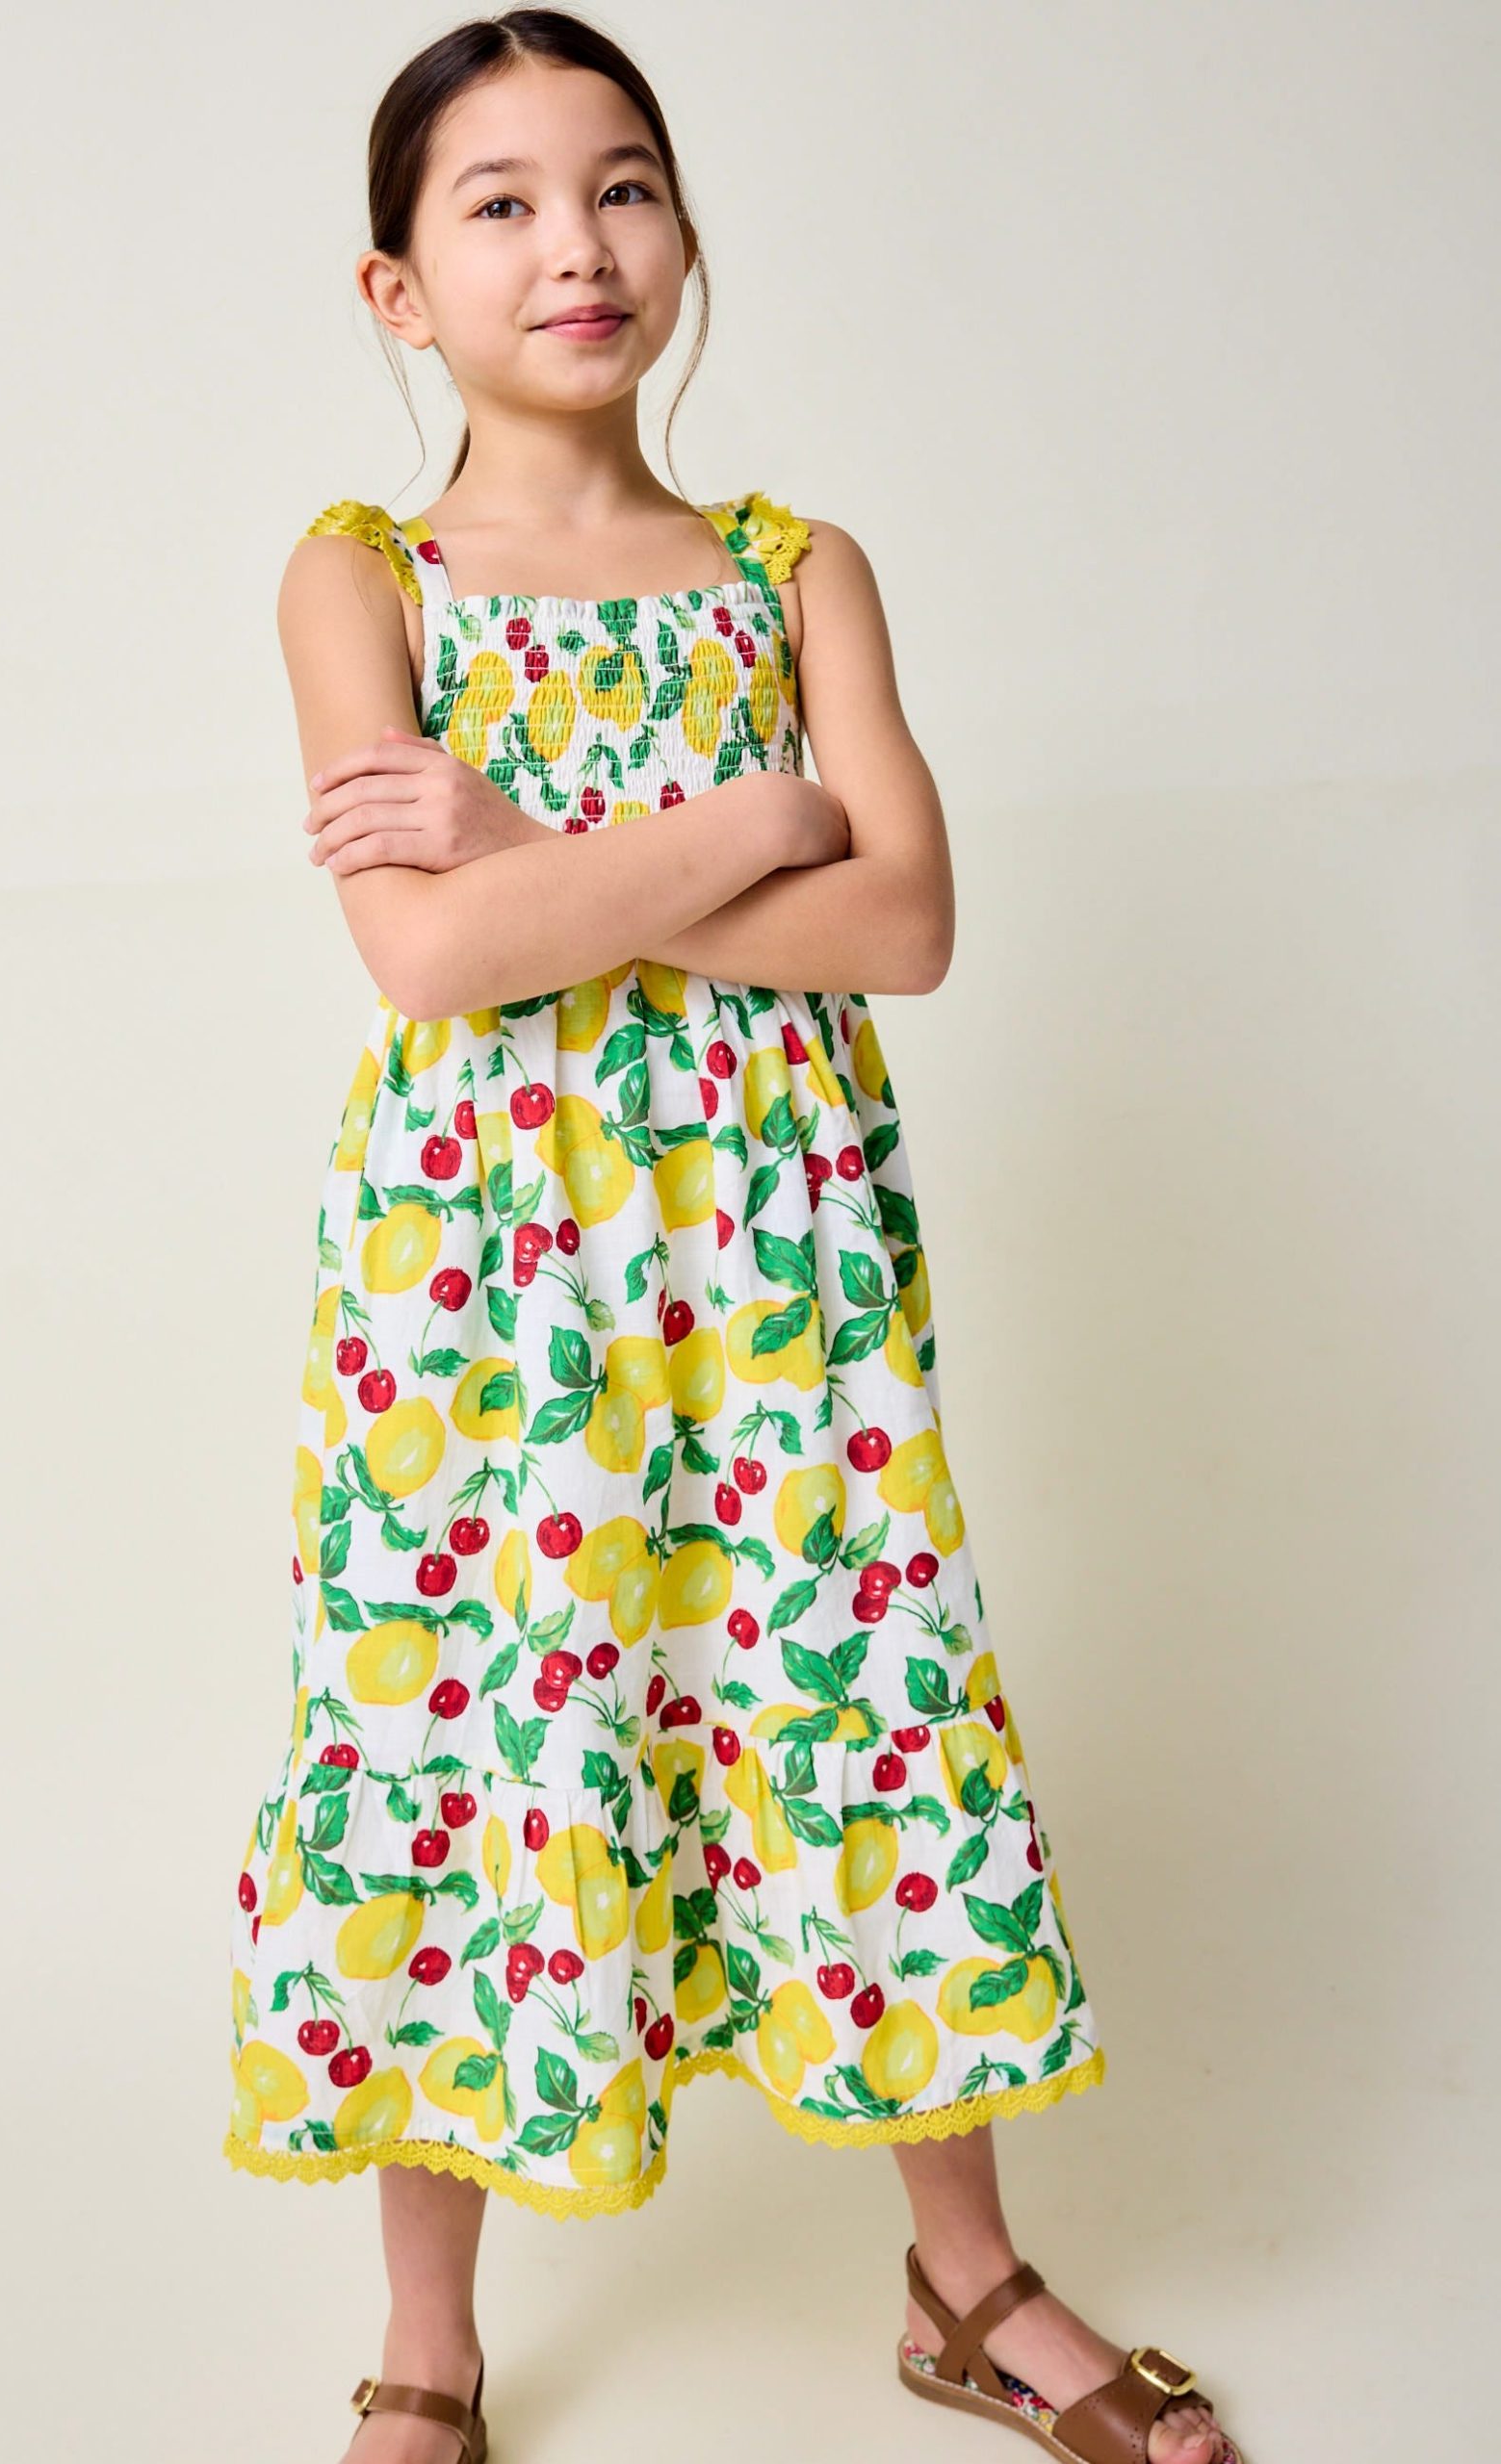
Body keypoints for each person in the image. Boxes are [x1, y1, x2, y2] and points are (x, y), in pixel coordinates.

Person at [223, 13, 1243, 2463]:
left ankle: (967, 2274)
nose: (575, 244)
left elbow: (906, 926)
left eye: (624, 186)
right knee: (467, 1717)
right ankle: (431, 2336)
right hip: (491, 1277)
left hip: (776, 1261)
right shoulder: (363, 577)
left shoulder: (798, 570)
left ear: (679, 232)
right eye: (498, 202)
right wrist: (756, 820)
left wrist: (550, 847)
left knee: (855, 1693)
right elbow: (431, 959)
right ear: (395, 287)